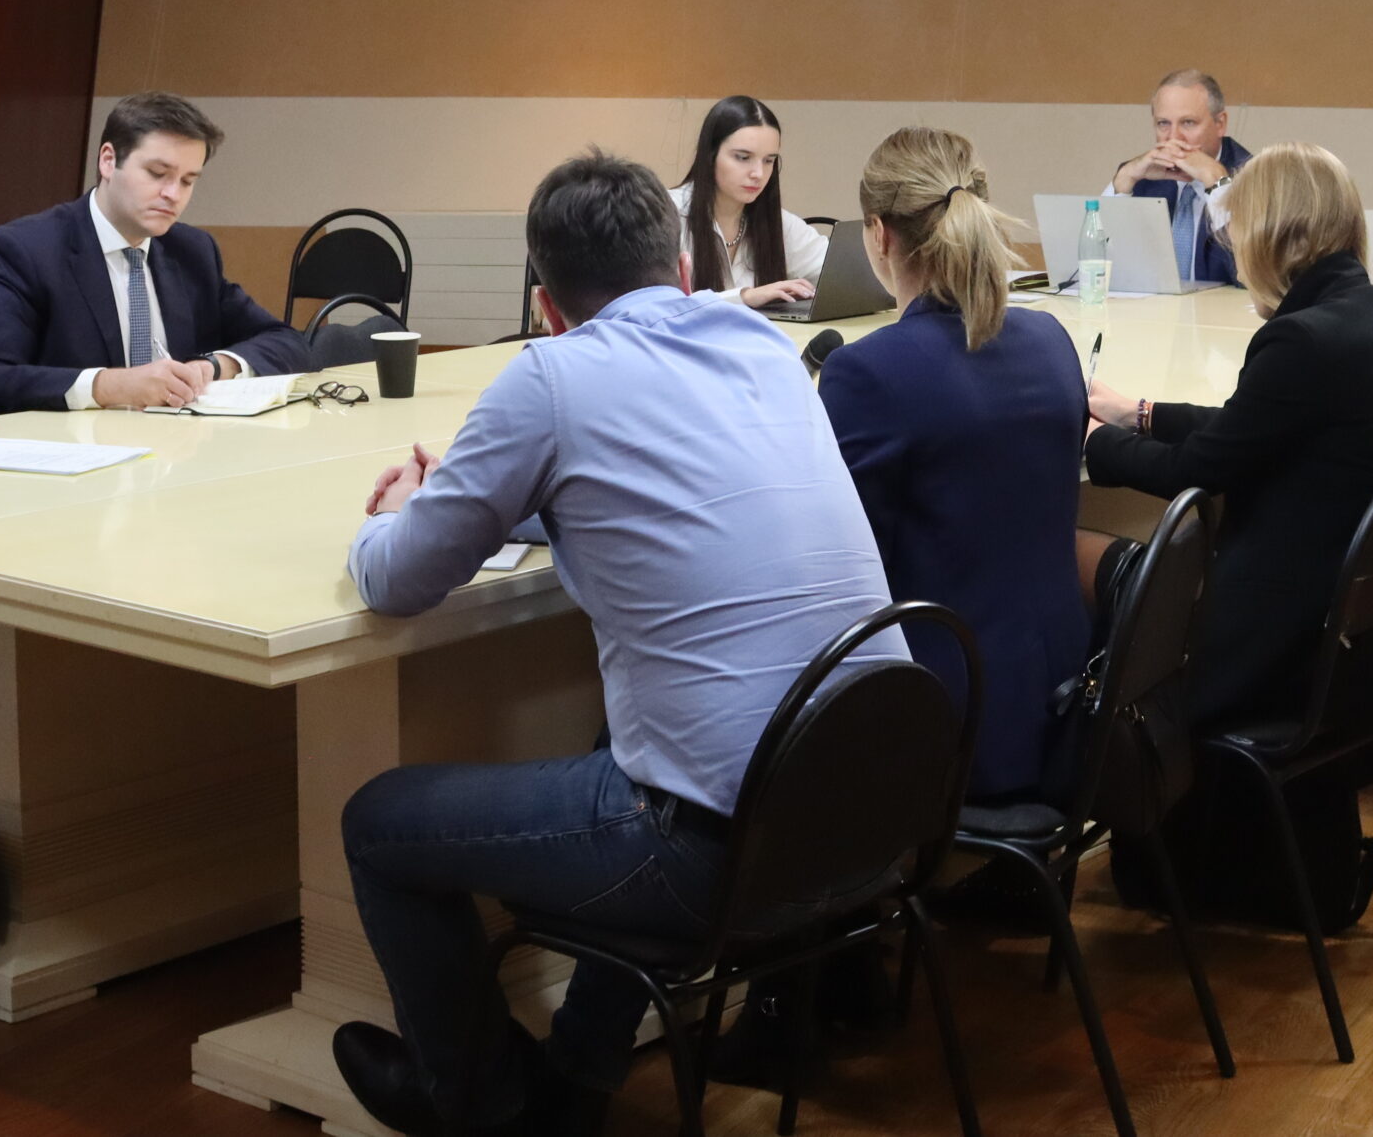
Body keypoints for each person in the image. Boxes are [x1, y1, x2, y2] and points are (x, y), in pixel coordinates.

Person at [329, 149, 905, 1136]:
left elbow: (396, 581)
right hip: (868, 812)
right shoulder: (762, 345)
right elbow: (636, 490)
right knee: (628, 740)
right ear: (681, 271)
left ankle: (483, 1105)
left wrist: (395, 515)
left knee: (379, 823)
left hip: (720, 856)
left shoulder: (550, 376)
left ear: (546, 307)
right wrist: (498, 493)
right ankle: (574, 1082)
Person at [1080, 142, 1373, 929]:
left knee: (1096, 573)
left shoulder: (1300, 340)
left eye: (1236, 224)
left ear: (1273, 233)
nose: (1230, 239)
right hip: (1372, 639)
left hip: (1280, 644)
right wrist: (1139, 412)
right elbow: (1255, 427)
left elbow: (1202, 468)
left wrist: (1093, 444)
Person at [817, 126, 1089, 803]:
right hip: (1065, 705)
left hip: (951, 719)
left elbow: (840, 562)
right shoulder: (1050, 338)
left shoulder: (867, 371)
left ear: (878, 234)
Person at [0, 91, 310, 415]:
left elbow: (287, 342)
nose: (173, 194)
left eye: (188, 181)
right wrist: (111, 386)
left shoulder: (193, 251)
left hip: (179, 448)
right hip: (75, 451)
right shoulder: (24, 250)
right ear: (108, 161)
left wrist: (215, 366)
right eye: (157, 173)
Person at [671, 94, 829, 311]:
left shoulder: (779, 223)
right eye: (743, 158)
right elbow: (647, 307)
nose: (758, 173)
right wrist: (744, 297)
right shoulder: (664, 214)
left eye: (769, 160)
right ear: (710, 155)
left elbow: (838, 272)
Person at [1108, 68, 1253, 287]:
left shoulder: (1254, 178)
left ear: (1220, 124)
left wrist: (1218, 185)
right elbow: (1097, 269)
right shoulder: (1141, 178)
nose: (1174, 138)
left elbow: (1257, 278)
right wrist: (1123, 181)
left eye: (1188, 123)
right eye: (1163, 123)